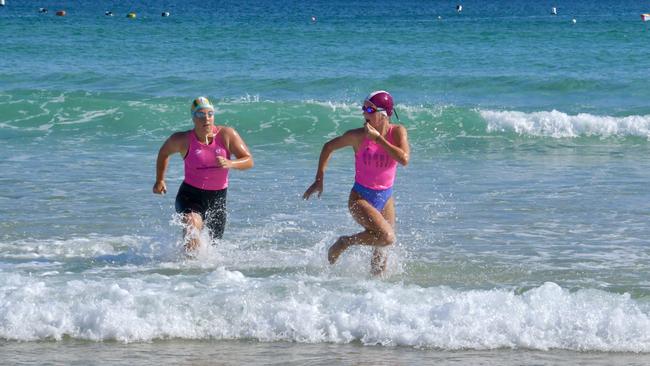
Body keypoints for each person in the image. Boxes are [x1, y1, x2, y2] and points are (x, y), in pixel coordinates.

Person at [303, 91, 410, 275]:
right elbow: (328, 147)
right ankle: (344, 242)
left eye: (369, 109)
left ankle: (374, 297)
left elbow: (404, 159)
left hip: (386, 198)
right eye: (363, 108)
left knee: (380, 264)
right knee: (387, 237)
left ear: (383, 114)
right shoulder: (358, 136)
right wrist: (319, 179)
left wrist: (378, 139)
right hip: (360, 198)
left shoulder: (397, 132)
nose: (364, 113)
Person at [153, 97, 253, 252]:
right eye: (200, 114)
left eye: (210, 114)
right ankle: (186, 272)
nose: (206, 118)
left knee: (212, 250)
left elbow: (248, 160)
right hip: (191, 196)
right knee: (191, 225)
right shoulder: (182, 140)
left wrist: (230, 163)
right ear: (193, 117)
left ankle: (202, 275)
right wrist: (160, 180)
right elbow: (164, 152)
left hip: (218, 200)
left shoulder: (227, 135)